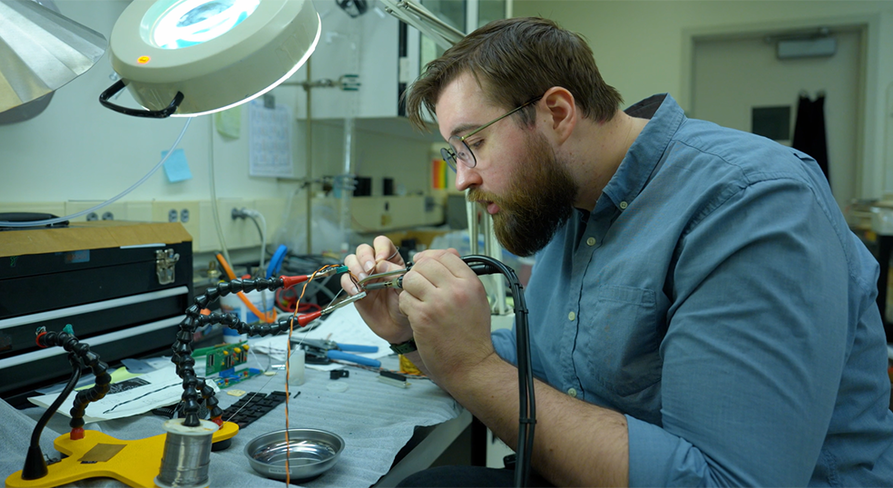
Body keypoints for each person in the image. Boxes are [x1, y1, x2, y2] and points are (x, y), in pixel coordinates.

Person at [341, 17, 893, 487]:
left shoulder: (751, 202)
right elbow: (556, 361)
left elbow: (724, 480)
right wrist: (413, 331)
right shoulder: (564, 200)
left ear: (557, 113)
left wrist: (473, 369)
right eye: (453, 152)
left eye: (474, 144)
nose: (462, 178)